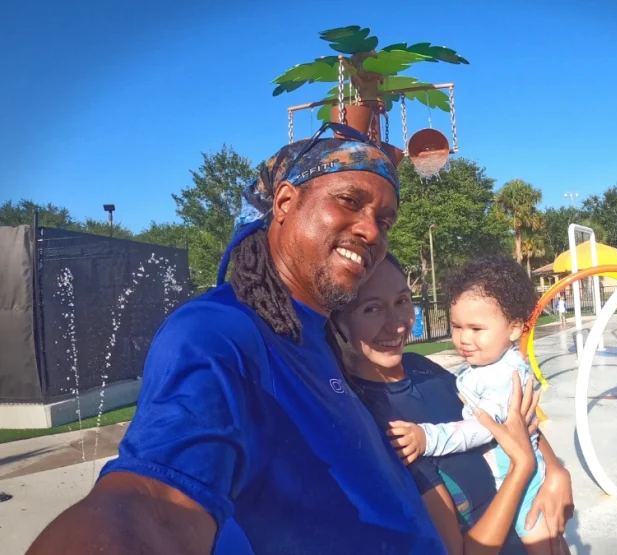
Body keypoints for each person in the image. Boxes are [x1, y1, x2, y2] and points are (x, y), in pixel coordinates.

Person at [29, 123, 483, 555]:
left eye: (385, 220)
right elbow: (155, 500)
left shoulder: (316, 337)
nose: (370, 231)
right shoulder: (220, 331)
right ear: (284, 201)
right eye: (349, 201)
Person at [333, 254, 574, 555]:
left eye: (403, 301)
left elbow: (503, 417)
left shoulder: (422, 368)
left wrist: (555, 471)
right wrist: (522, 468)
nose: (396, 324)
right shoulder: (377, 417)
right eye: (372, 308)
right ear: (339, 320)